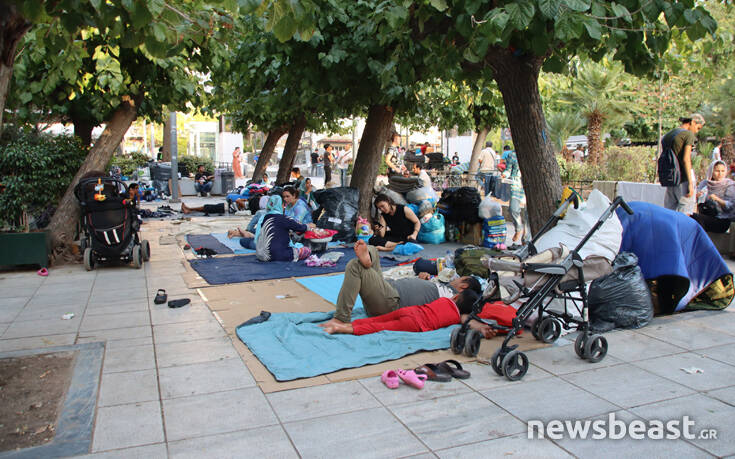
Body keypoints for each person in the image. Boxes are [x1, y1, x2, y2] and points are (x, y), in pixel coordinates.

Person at [320, 240, 487, 328]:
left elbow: (463, 317)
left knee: (355, 266)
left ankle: (341, 319)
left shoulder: (453, 300)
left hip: (391, 301)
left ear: (463, 286)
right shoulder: (444, 287)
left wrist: (478, 325)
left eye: (460, 278)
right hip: (388, 288)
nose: (455, 278)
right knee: (371, 249)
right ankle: (368, 259)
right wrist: (424, 279)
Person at [320, 290, 497, 338]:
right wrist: (482, 328)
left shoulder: (445, 300)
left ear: (456, 296)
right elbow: (467, 321)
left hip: (411, 310)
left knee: (377, 319)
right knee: (378, 327)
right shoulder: (459, 316)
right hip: (415, 324)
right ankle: (341, 328)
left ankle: (343, 324)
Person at [662, 114, 705, 212]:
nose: (696, 131)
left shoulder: (669, 135)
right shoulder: (688, 134)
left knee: (669, 213)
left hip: (670, 178)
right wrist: (690, 183)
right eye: (698, 128)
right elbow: (686, 159)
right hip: (683, 178)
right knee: (685, 214)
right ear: (693, 122)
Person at [690, 160, 735, 233]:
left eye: (723, 171)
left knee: (697, 218)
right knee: (691, 216)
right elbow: (694, 199)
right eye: (717, 171)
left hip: (722, 219)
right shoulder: (705, 183)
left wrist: (717, 199)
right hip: (706, 214)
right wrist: (697, 196)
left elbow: (731, 206)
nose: (720, 174)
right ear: (711, 171)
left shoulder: (729, 185)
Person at [504, 148, 527, 244]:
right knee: (513, 208)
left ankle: (525, 239)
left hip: (529, 185)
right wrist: (504, 175)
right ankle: (518, 228)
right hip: (516, 185)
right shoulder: (512, 155)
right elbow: (508, 170)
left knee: (528, 215)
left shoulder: (533, 153)